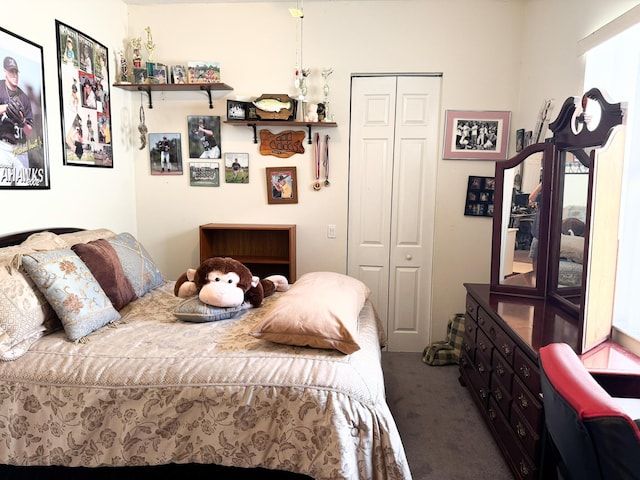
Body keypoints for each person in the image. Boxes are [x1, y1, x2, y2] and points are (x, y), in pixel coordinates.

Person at [0, 56, 34, 171]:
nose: (14, 75)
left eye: (16, 72)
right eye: (11, 71)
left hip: (21, 148)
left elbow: (29, 132)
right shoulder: (0, 87)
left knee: (25, 186)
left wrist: (23, 122)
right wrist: (7, 107)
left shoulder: (24, 97)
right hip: (3, 146)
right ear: (5, 71)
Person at [528, 180, 543, 272]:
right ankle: (534, 274)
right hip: (538, 231)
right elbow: (532, 197)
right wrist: (542, 184)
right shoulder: (542, 195)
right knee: (535, 256)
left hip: (549, 231)